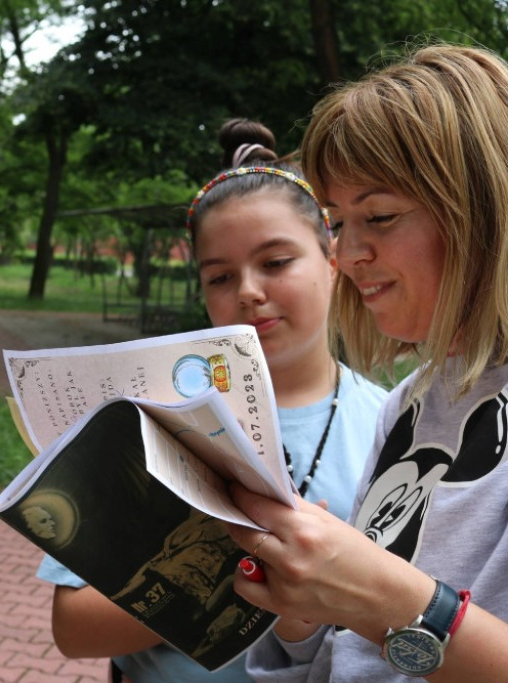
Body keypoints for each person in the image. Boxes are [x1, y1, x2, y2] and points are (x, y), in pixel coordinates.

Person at [36, 122, 388, 681]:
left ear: (332, 259)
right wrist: (251, 574)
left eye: (275, 263)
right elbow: (74, 627)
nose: (248, 290)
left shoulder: (393, 426)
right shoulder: (147, 419)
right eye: (221, 275)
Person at [226, 43, 508, 682]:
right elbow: (345, 653)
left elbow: (391, 615)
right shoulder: (408, 402)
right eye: (335, 222)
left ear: (486, 210)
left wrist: (380, 595)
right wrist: (302, 603)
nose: (347, 254)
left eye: (379, 216)